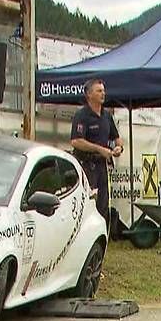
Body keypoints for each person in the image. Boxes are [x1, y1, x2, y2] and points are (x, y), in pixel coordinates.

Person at [69, 78, 122, 227]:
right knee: (88, 203)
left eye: (103, 90)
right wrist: (99, 149)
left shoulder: (106, 115)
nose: (103, 94)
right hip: (86, 165)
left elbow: (117, 138)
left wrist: (118, 148)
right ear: (89, 95)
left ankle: (102, 238)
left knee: (103, 204)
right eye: (99, 91)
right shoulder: (82, 115)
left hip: (102, 166)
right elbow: (75, 141)